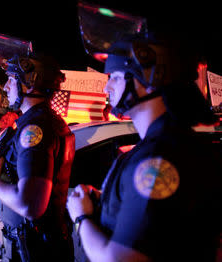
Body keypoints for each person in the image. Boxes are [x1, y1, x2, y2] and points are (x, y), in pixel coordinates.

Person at [67, 9, 221, 261]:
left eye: (114, 77)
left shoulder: (159, 157)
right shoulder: (166, 144)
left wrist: (81, 216)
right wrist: (109, 202)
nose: (107, 86)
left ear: (149, 79)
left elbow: (118, 259)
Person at [0, 54, 75, 261]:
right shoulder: (37, 121)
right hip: (33, 246)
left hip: (35, 250)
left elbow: (30, 205)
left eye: (12, 80)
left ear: (31, 83)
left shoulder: (36, 128)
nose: (5, 87)